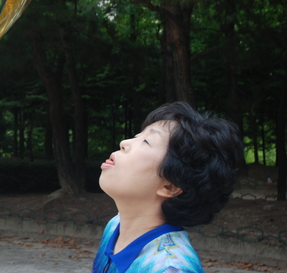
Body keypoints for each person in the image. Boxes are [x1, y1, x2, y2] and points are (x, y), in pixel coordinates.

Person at [92, 102, 243, 273]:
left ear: (170, 187)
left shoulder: (169, 268)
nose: (124, 143)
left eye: (146, 141)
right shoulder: (116, 226)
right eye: (136, 136)